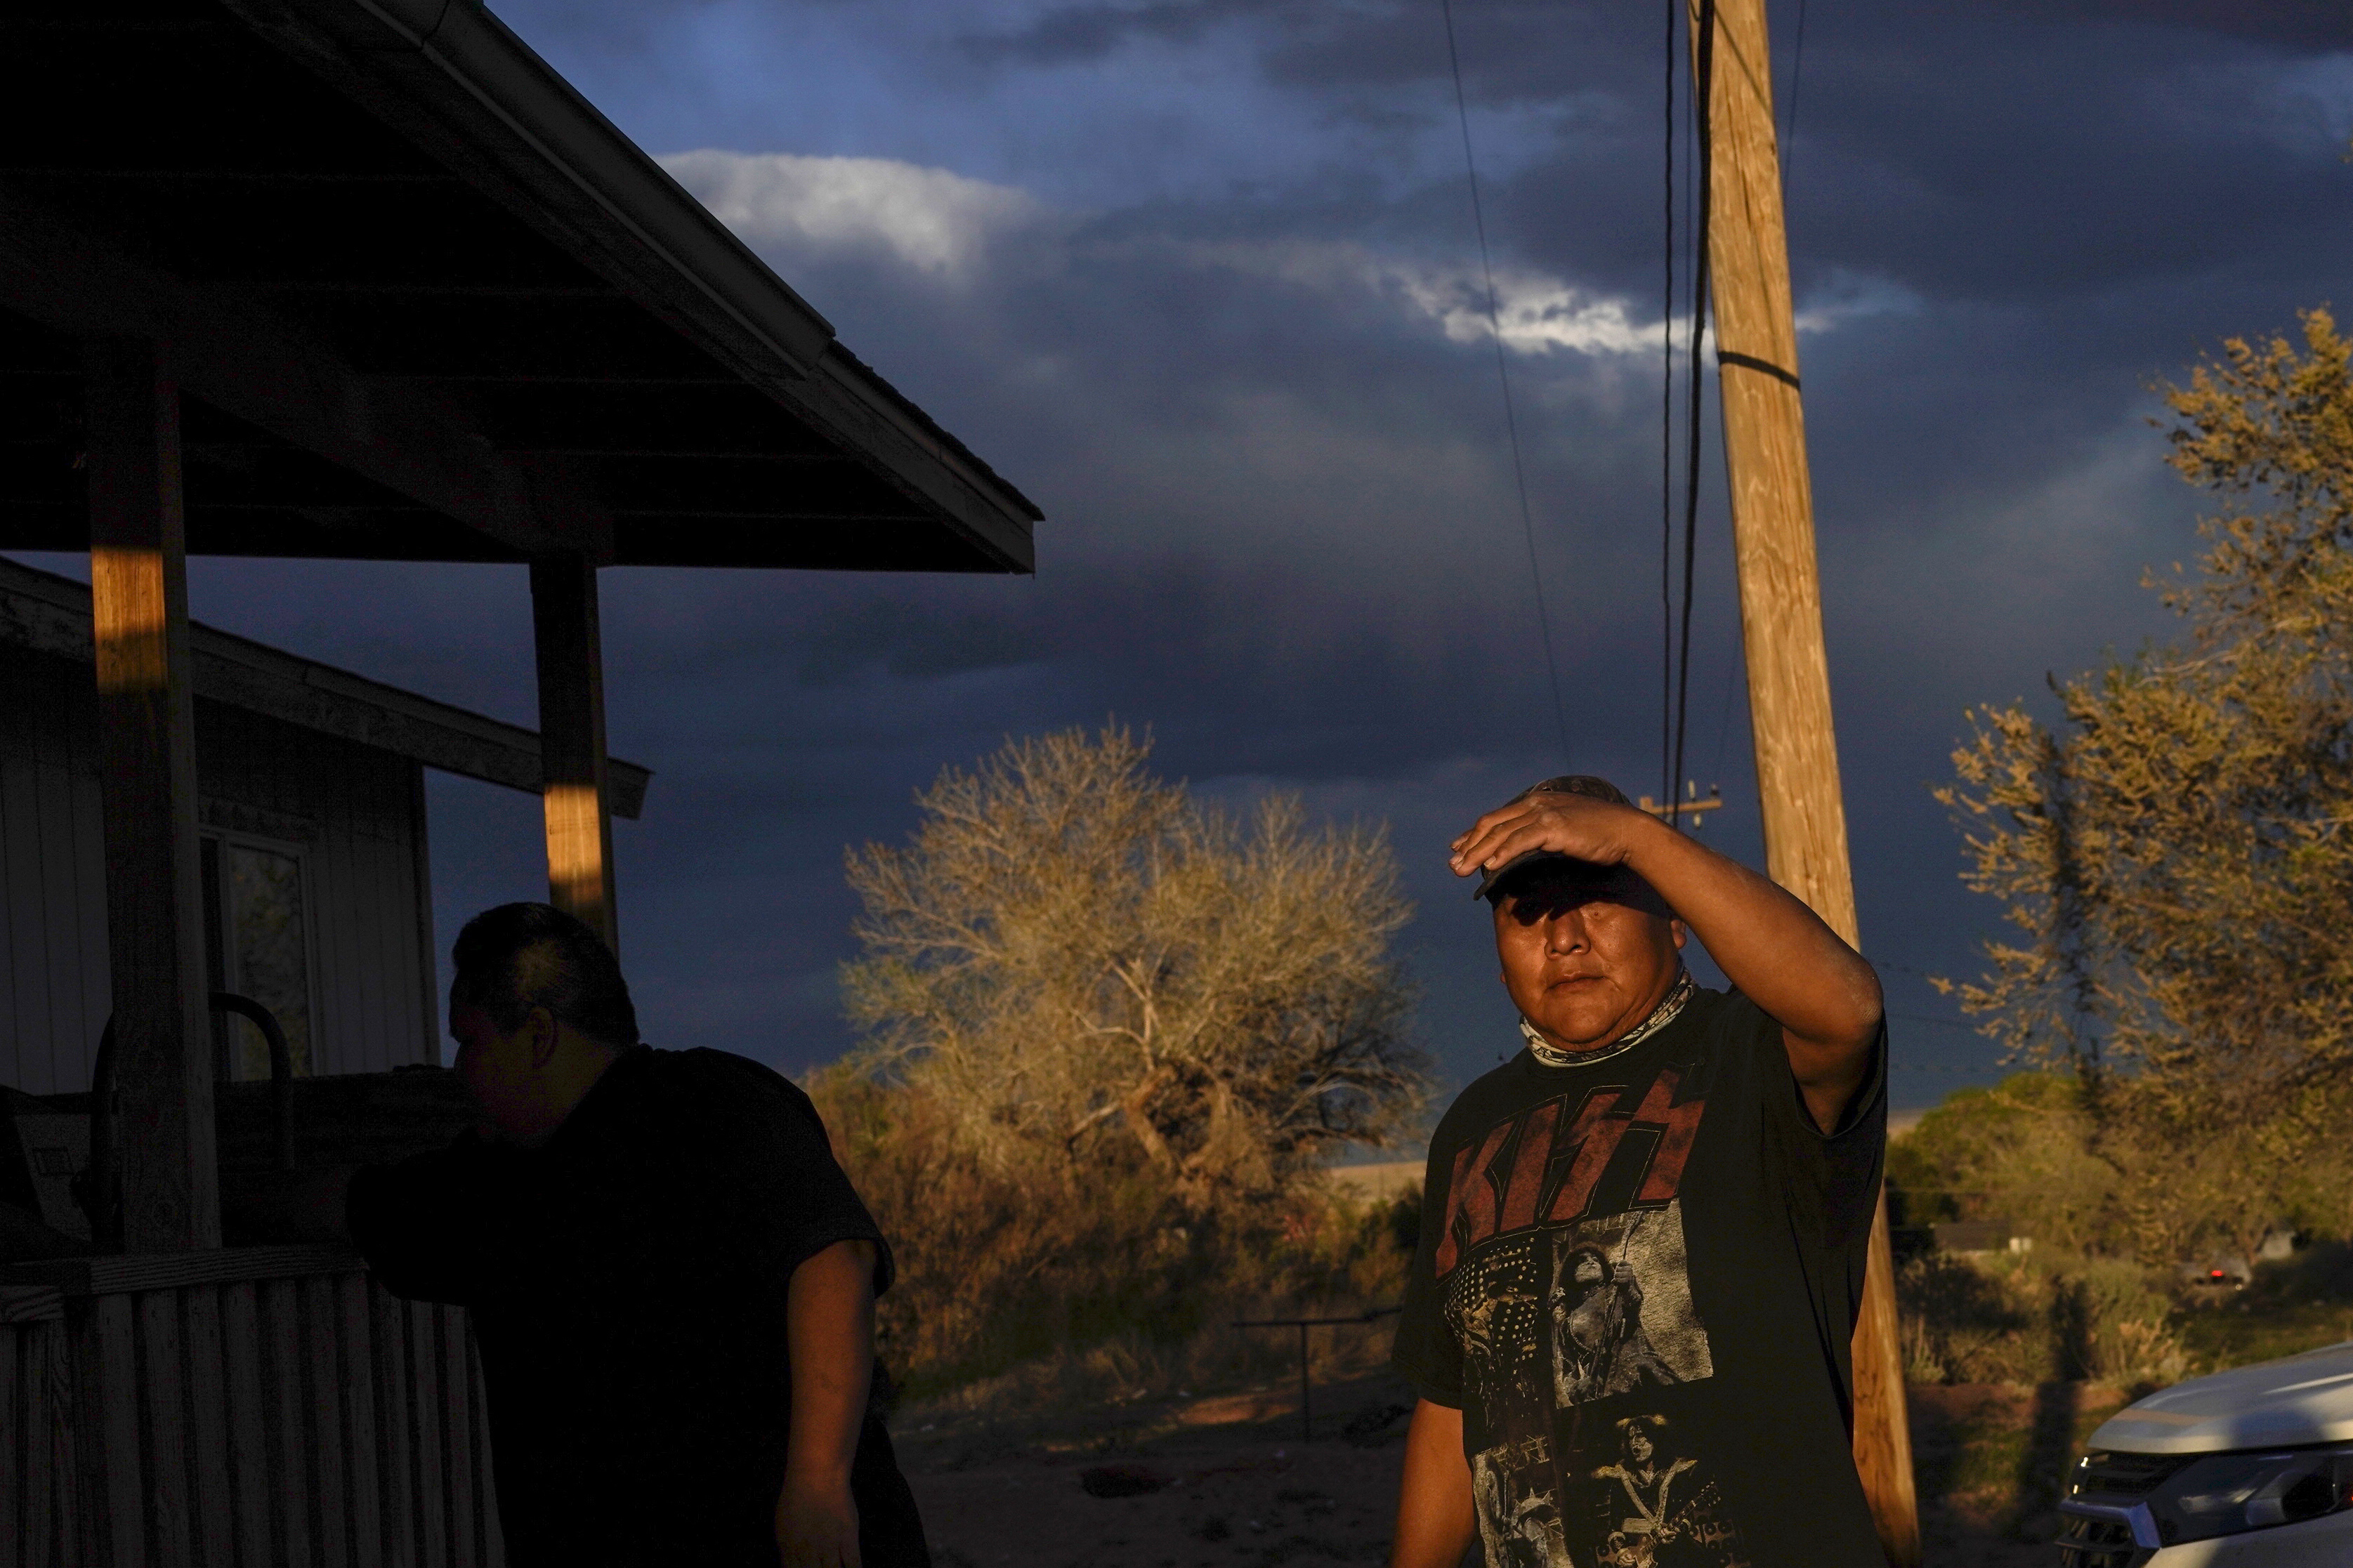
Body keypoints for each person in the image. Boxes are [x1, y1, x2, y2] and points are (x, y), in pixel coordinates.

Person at [243, 902, 928, 1567]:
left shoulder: (710, 1104)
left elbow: (833, 1259)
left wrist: (815, 1485)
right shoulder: (483, 1186)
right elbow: (346, 1203)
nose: (459, 1070)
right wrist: (230, 1194)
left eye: (470, 1040)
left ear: (538, 1035)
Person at [1386, 775, 1886, 1568]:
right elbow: (1453, 1402)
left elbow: (1848, 1007)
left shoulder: (1750, 1059)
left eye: (1600, 896)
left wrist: (1636, 837)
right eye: (1528, 911)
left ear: (1676, 916)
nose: (1565, 938)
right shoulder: (1470, 1129)